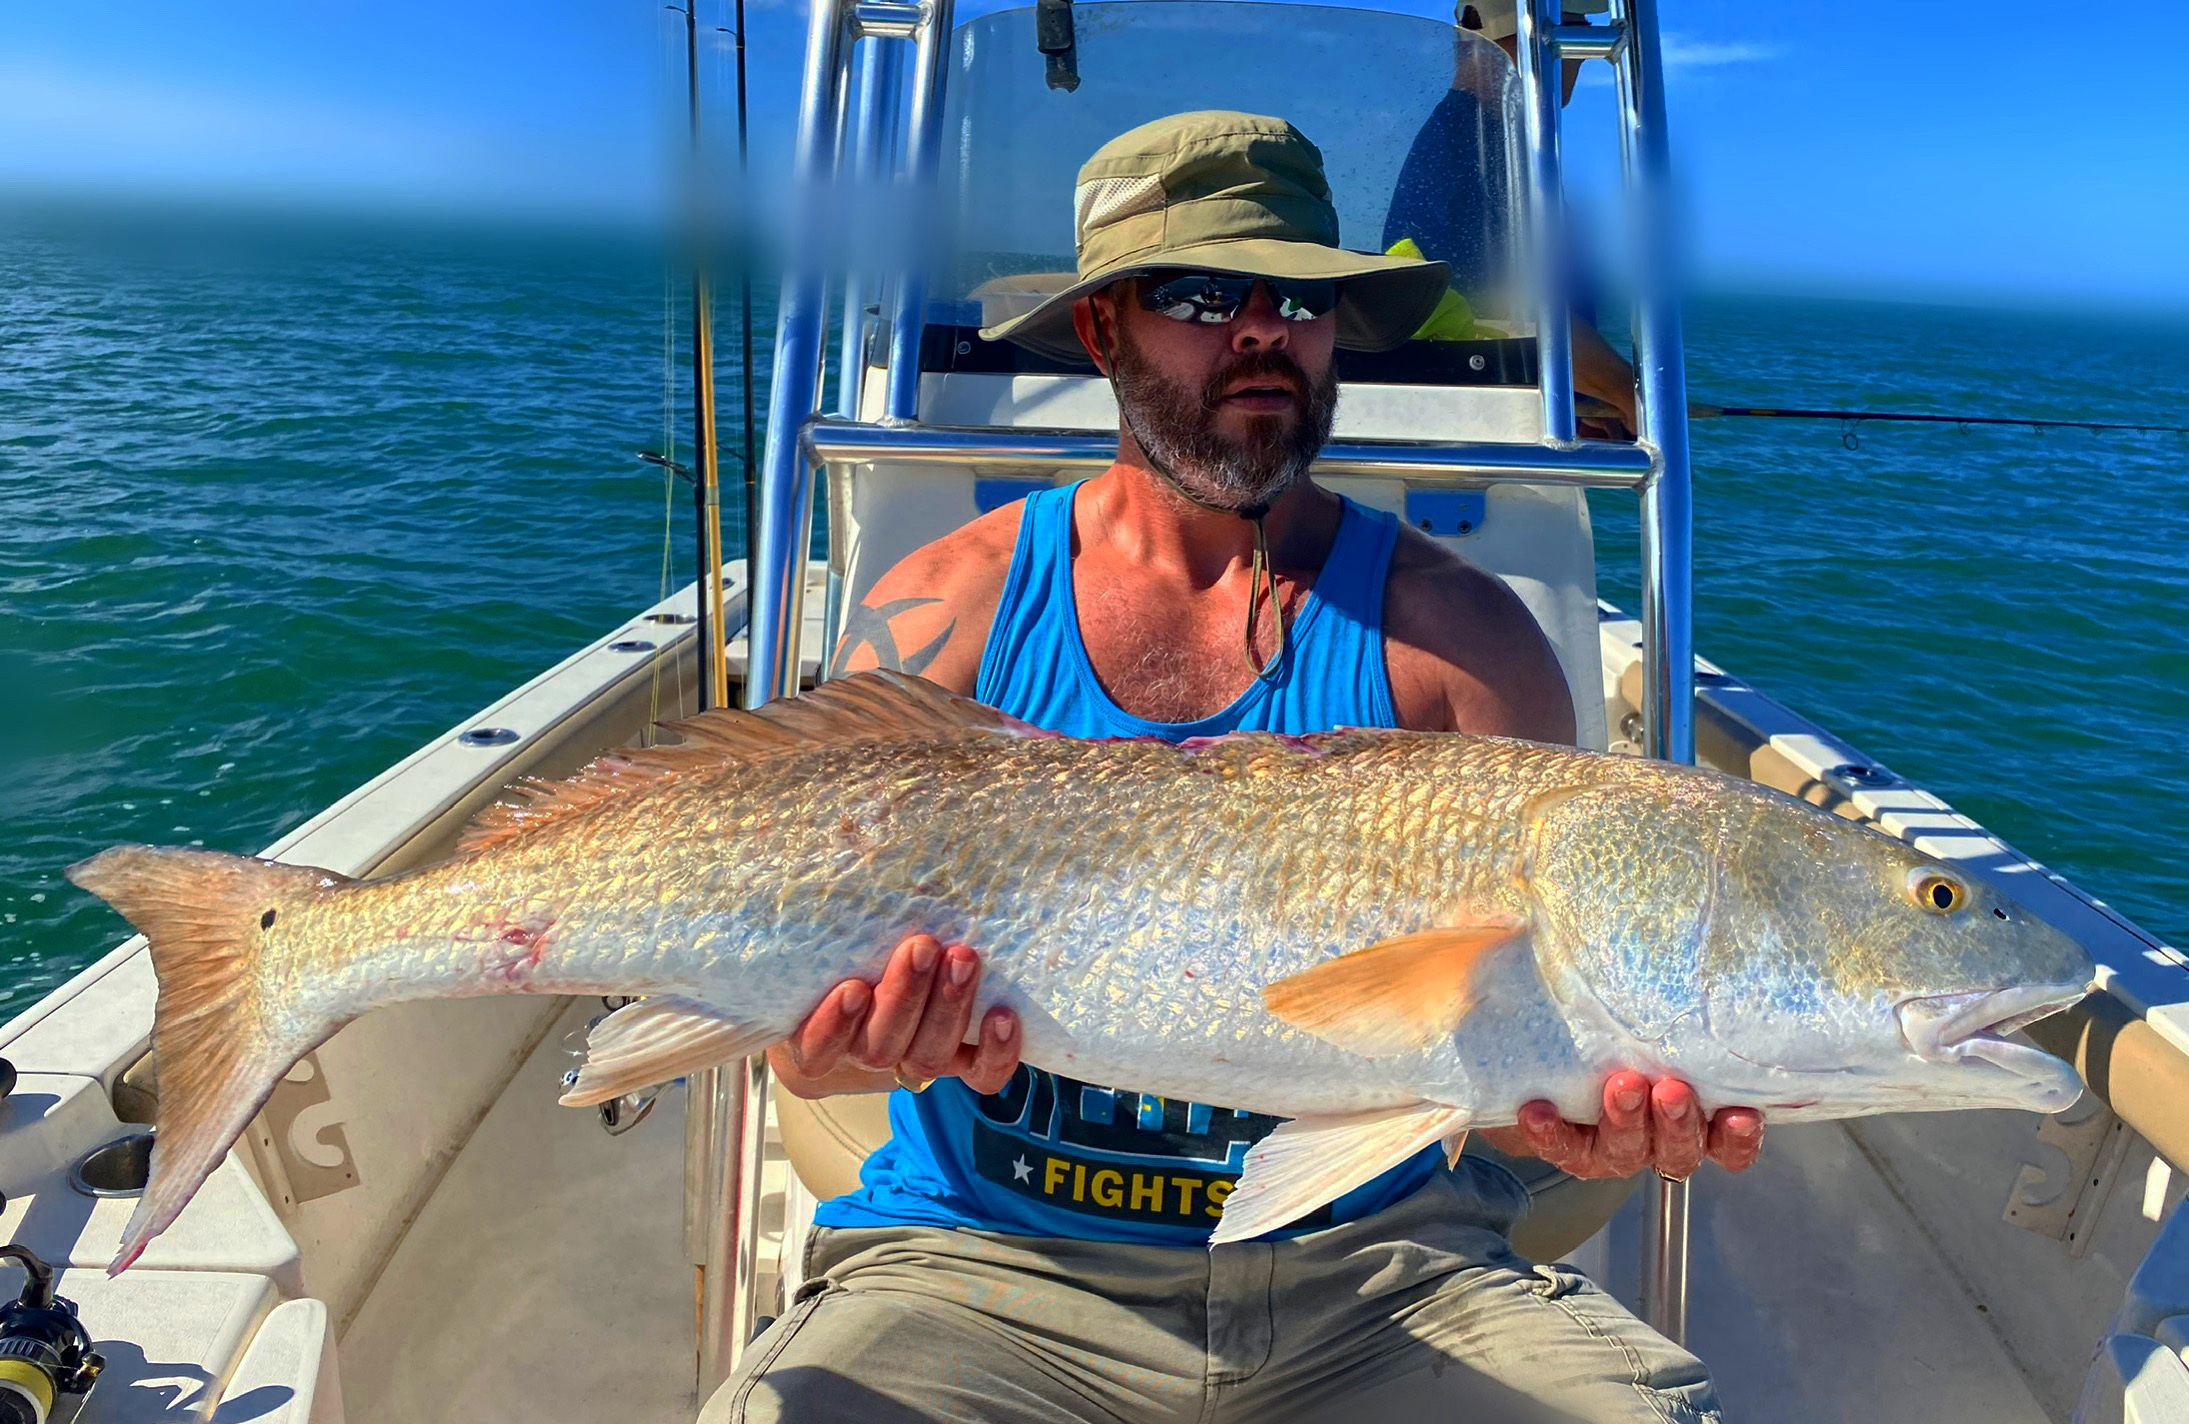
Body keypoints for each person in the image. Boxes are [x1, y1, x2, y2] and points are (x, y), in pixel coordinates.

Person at [706, 111, 1761, 1424]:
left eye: (1301, 297)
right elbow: (805, 1064)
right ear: (1101, 332)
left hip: (1387, 1274)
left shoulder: (1464, 644)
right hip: (988, 1264)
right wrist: (852, 1041)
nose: (1264, 330)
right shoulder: (948, 616)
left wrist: (1579, 1117)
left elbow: (1492, 1085)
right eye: (1204, 295)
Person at [1384, 0, 1641, 438]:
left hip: (1492, 419)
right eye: (1572, 28)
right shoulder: (1476, 146)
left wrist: (1580, 403)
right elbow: (1516, 316)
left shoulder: (1492, 138)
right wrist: (1626, 394)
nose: (1580, 55)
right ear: (1521, 33)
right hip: (1471, 439)